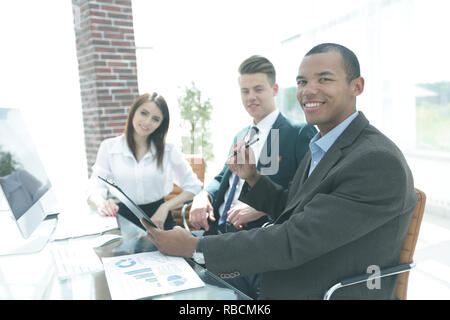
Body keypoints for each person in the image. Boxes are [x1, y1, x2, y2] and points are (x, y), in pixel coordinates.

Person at [141, 43, 417, 300]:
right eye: (302, 82)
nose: (308, 90)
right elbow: (294, 208)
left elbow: (294, 239)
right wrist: (252, 177)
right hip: (275, 267)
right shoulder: (324, 146)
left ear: (357, 86)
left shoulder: (375, 160)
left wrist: (194, 248)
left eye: (324, 79)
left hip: (310, 287)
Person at [189, 55, 316, 235]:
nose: (251, 97)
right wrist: (204, 195)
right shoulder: (241, 135)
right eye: (245, 91)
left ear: (274, 89)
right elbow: (222, 177)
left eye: (258, 89)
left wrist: (263, 208)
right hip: (215, 231)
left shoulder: (298, 133)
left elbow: (309, 191)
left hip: (258, 236)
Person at [87, 92, 202, 230]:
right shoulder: (109, 147)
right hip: (123, 222)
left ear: (161, 124)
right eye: (144, 113)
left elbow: (194, 187)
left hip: (159, 220)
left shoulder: (168, 150)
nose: (147, 122)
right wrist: (101, 203)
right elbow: (95, 186)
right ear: (133, 112)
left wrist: (165, 207)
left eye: (155, 119)